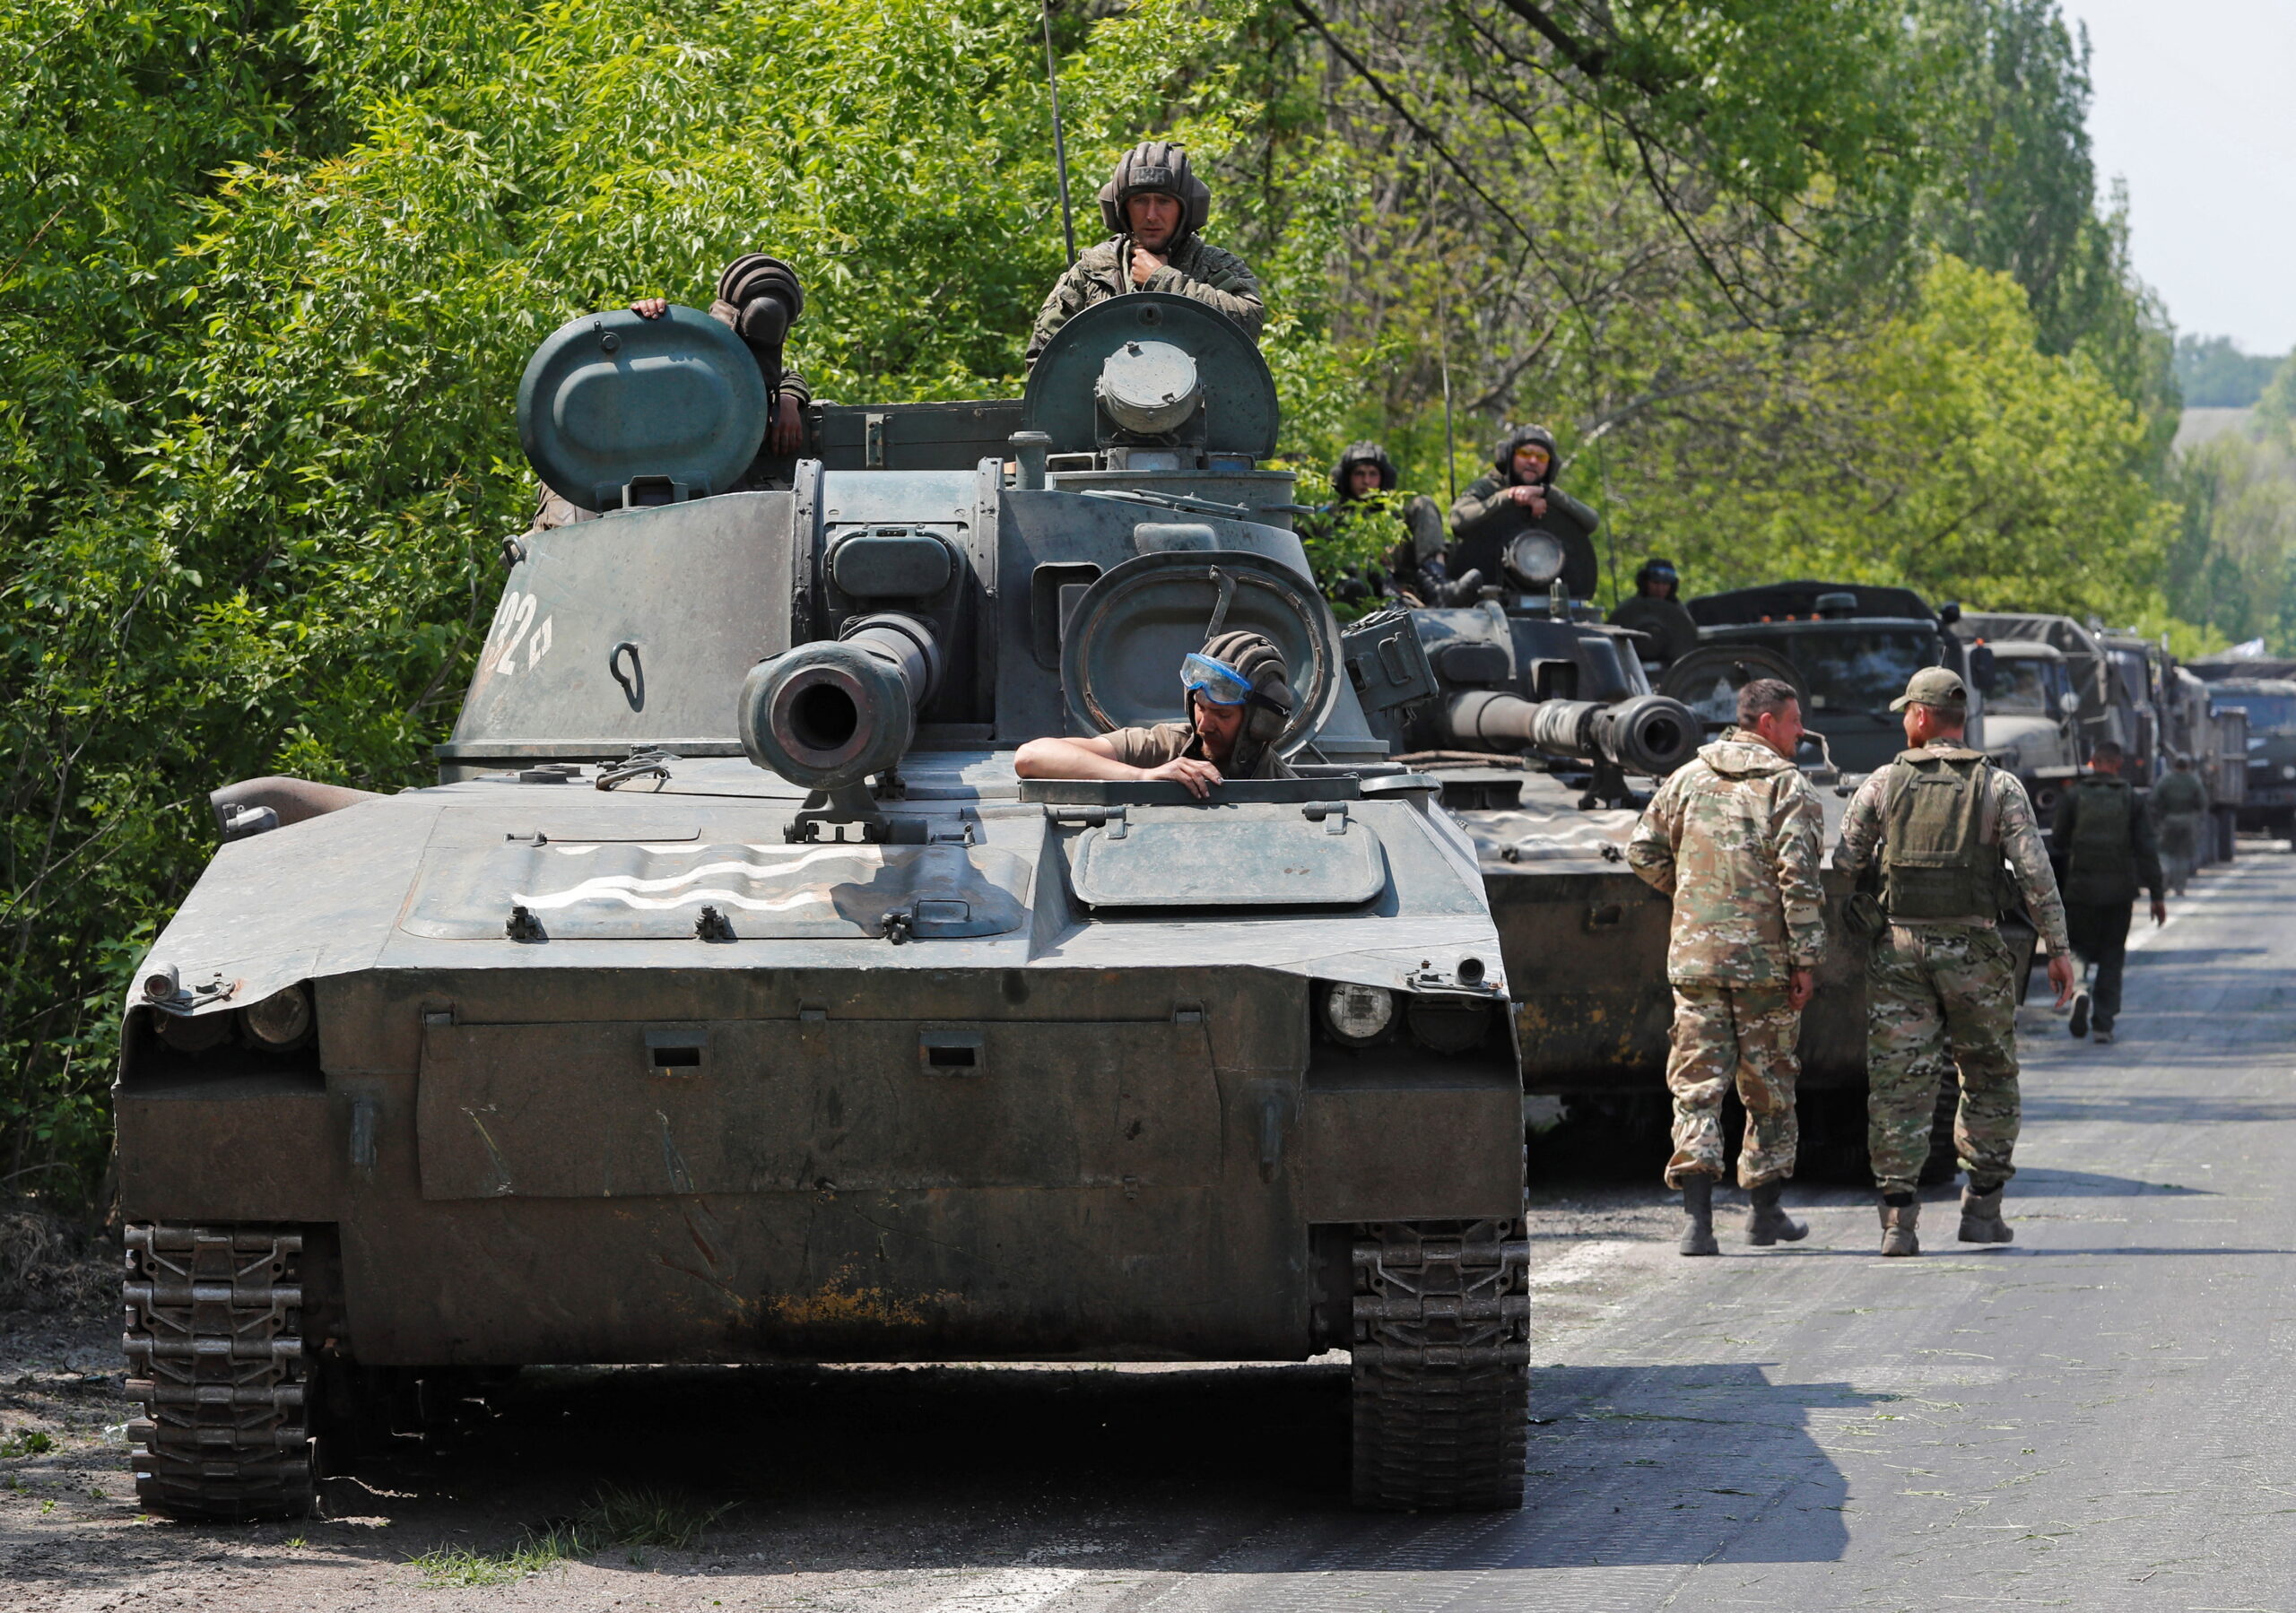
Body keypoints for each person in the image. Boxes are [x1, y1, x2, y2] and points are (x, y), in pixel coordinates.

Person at [1836, 666, 2078, 1256]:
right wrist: (2059, 948)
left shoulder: (1882, 782)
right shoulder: (2000, 787)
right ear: (1960, 720)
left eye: (1905, 711)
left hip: (1898, 951)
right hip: (1974, 951)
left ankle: (1898, 1219)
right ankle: (1984, 1211)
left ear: (1921, 716)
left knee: (1899, 1082)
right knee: (1989, 1075)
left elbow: (1845, 861)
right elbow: (2035, 875)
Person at [1626, 678, 1826, 1257]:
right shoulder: (1787, 786)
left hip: (1697, 959)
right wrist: (1806, 958)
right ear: (1767, 723)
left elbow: (1642, 851)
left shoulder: (1686, 777)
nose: (1799, 733)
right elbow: (1800, 879)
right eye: (1794, 722)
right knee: (1769, 1086)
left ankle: (1698, 1224)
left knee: (1696, 1087)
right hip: (1765, 965)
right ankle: (1764, 1215)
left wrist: (1691, 897)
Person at [537, 253, 813, 528]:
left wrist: (789, 398)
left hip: (697, 508)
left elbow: (774, 377)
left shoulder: (735, 372)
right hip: (603, 498)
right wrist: (643, 329)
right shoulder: (677, 347)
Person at [1025, 142, 1264, 368]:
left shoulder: (1216, 268)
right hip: (1101, 408)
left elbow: (1249, 323)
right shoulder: (1092, 273)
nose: (1151, 215)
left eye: (1163, 201)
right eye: (1140, 201)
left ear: (1187, 209)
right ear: (1121, 209)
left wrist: (1163, 280)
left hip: (1203, 407)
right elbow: (1042, 363)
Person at [1013, 631, 1297, 794]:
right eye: (1200, 708)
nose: (1204, 726)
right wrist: (1143, 777)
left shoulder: (1283, 787)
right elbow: (1031, 757)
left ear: (1259, 723)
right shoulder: (1167, 745)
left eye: (1222, 716)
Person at [2053, 740, 2168, 1044]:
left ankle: (2079, 989)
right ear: (2118, 765)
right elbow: (2147, 850)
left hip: (2079, 892)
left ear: (2092, 762)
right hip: (2119, 894)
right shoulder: (2132, 799)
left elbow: (2059, 841)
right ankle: (2103, 1024)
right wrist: (2157, 895)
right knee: (2112, 955)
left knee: (2077, 947)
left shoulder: (2074, 796)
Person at [1446, 425, 1602, 603]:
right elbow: (1459, 520)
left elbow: (1591, 521)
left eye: (1541, 457)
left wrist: (1548, 493)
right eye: (1525, 454)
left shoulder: (1550, 495)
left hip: (1543, 593)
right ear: (1510, 456)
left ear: (1551, 465)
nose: (1533, 461)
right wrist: (1508, 497)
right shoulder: (1490, 487)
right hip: (1486, 590)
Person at [1302, 442, 1448, 604]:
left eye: (1373, 474)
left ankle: (1437, 587)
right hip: (1355, 586)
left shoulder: (1394, 514)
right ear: (1347, 477)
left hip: (1401, 579)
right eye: (1359, 473)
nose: (1366, 481)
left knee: (1424, 503)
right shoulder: (1330, 514)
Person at [1609, 558, 1700, 667]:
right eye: (1656, 583)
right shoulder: (1630, 608)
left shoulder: (1679, 612)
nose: (1660, 588)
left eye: (1665, 583)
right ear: (1645, 582)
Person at [2151, 752, 2211, 897]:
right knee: (2182, 855)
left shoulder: (2166, 780)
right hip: (2187, 821)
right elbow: (2203, 801)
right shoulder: (2193, 781)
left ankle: (2165, 874)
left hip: (2168, 820)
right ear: (2188, 765)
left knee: (2164, 852)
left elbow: (2154, 799)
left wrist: (2161, 814)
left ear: (2175, 764)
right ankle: (2180, 887)